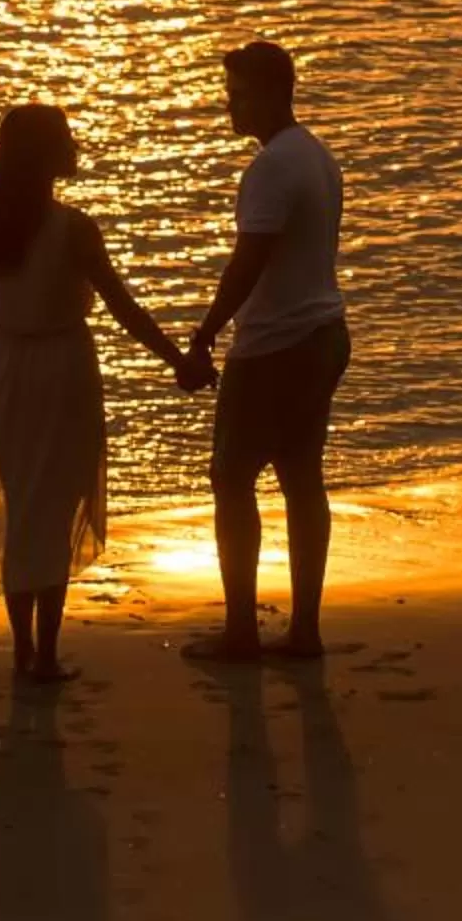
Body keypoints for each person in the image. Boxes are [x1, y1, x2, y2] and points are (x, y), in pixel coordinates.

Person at [0, 102, 204, 681]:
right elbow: (124, 309)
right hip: (64, 369)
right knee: (55, 510)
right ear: (45, 156)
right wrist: (179, 359)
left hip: (7, 369)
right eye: (65, 140)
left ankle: (24, 652)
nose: (75, 148)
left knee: (26, 508)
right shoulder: (73, 228)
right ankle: (43, 656)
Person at [183, 41, 350, 662]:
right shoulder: (316, 156)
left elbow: (248, 261)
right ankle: (303, 629)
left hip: (277, 343)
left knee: (231, 478)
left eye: (240, 92)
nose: (231, 104)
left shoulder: (272, 168)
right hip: (324, 332)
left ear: (273, 93)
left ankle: (241, 631)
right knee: (302, 479)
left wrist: (205, 333)